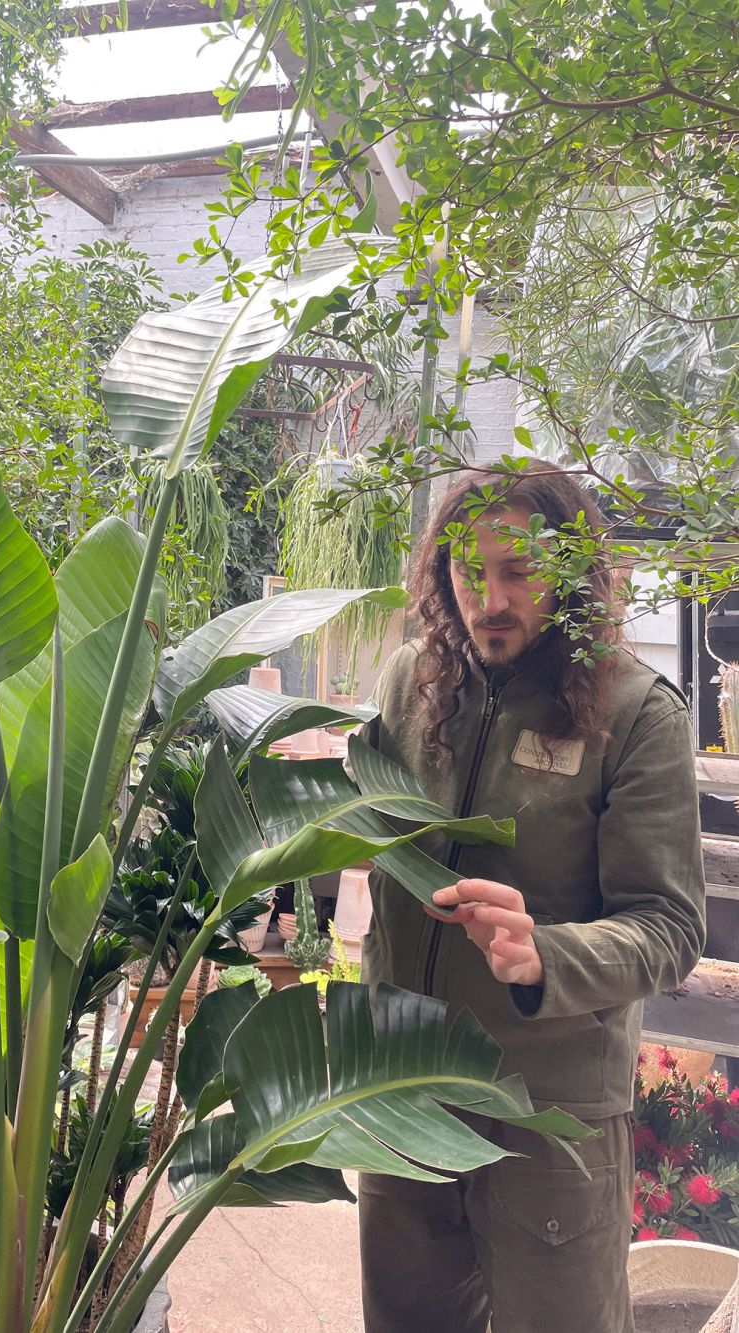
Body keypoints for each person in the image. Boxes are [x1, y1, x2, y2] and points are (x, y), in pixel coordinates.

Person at [358, 462, 706, 1333]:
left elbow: (670, 924)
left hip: (545, 1115)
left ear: (574, 571)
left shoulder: (636, 712)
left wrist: (544, 954)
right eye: (467, 570)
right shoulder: (410, 682)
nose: (490, 599)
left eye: (518, 570)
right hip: (404, 1089)